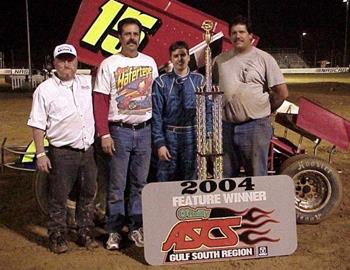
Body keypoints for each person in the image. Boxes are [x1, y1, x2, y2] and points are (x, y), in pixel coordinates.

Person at [93, 18, 158, 250]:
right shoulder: (109, 64)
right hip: (118, 132)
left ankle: (135, 228)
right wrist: (104, 134)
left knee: (139, 184)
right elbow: (100, 101)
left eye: (135, 33)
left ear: (140, 36)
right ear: (120, 37)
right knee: (116, 186)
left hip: (144, 131)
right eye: (127, 34)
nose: (132, 37)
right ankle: (113, 231)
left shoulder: (150, 63)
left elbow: (156, 99)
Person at [28, 44, 98, 254]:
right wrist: (40, 153)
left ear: (77, 62)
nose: (66, 64)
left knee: (87, 193)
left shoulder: (87, 83)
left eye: (70, 59)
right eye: (62, 60)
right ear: (54, 63)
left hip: (88, 151)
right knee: (58, 197)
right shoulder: (45, 90)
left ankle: (84, 231)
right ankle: (57, 235)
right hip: (62, 153)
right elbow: (38, 123)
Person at [213, 15, 288, 177]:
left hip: (254, 126)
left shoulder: (264, 59)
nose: (237, 36)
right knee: (226, 176)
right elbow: (213, 90)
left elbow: (282, 92)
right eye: (233, 32)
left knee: (256, 176)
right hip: (226, 127)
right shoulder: (220, 60)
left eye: (242, 32)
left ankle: (257, 205)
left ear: (250, 36)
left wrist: (266, 110)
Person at [152, 41, 211, 181]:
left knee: (191, 178)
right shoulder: (161, 82)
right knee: (166, 177)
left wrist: (207, 136)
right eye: (176, 56)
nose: (180, 59)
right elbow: (156, 115)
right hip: (169, 135)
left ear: (189, 57)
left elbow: (208, 109)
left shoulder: (200, 81)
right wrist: (160, 144)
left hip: (193, 135)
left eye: (183, 55)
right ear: (171, 59)